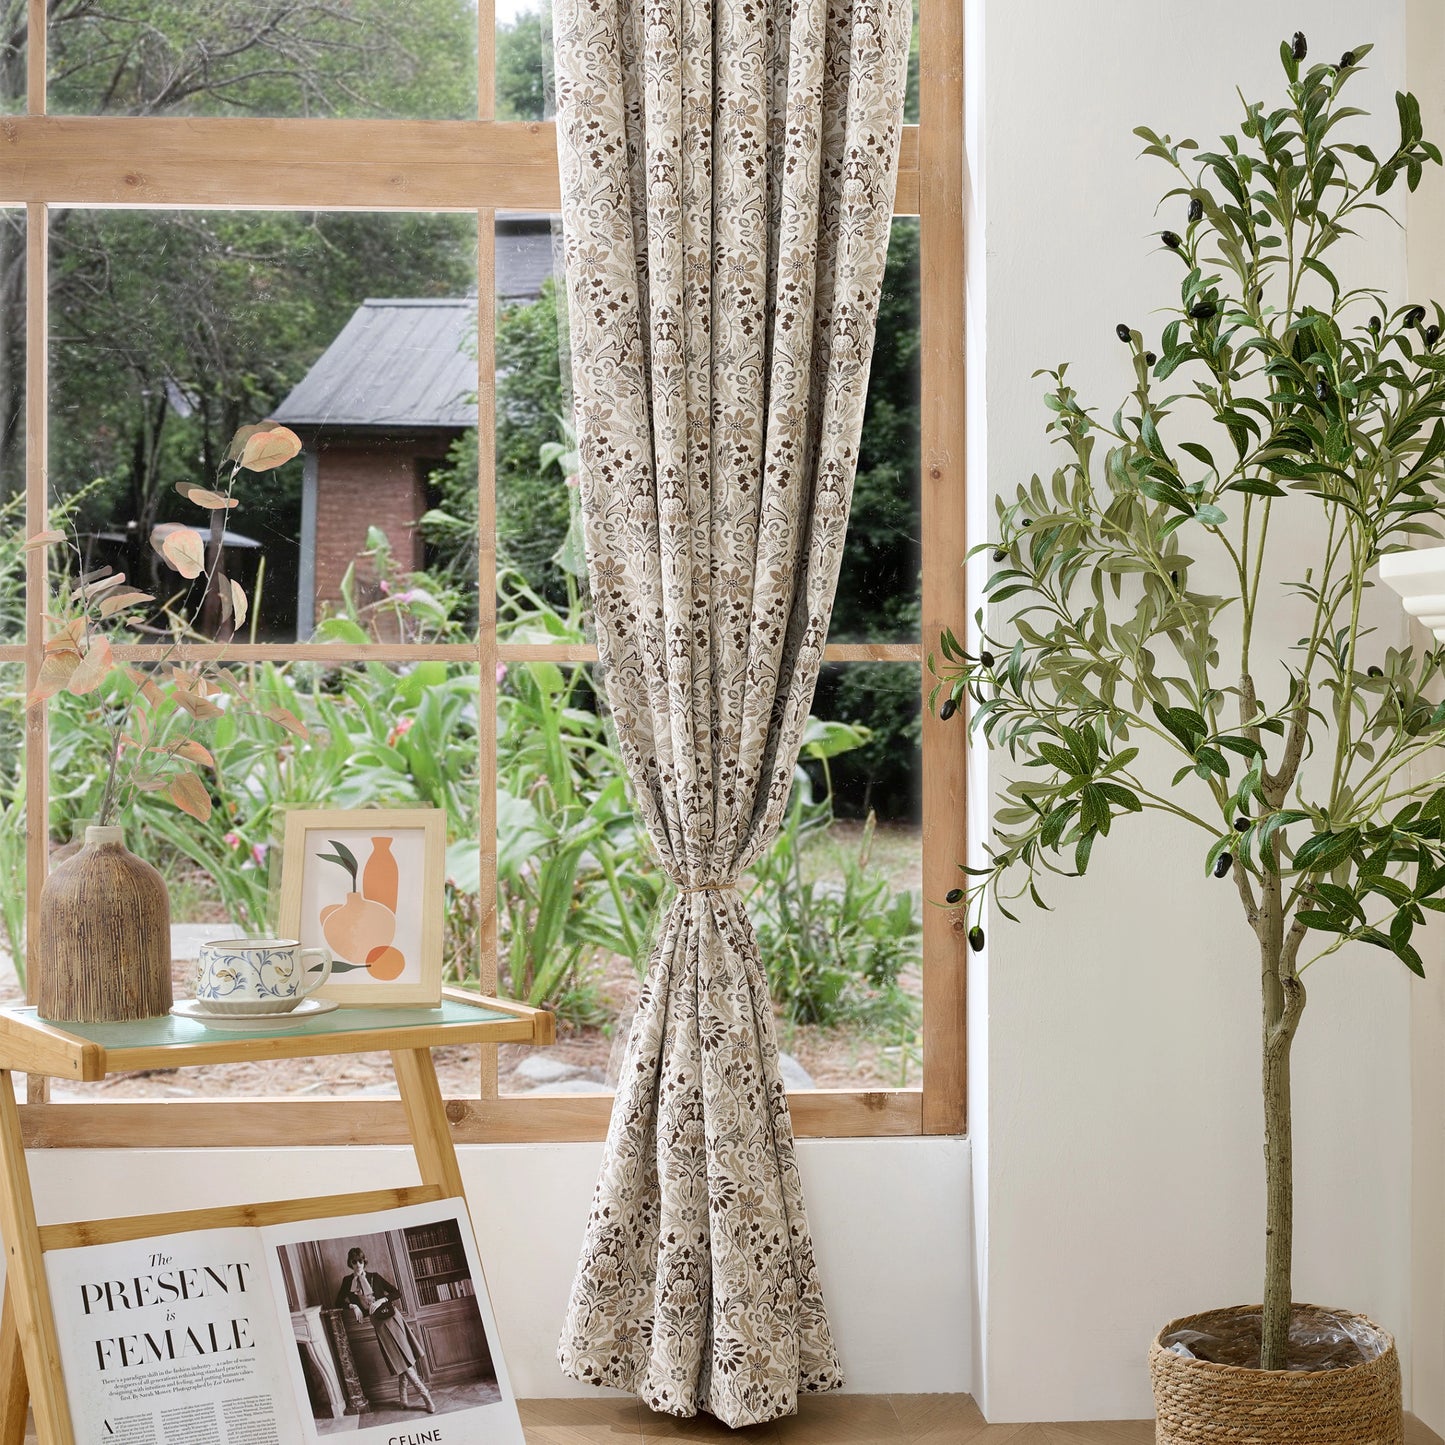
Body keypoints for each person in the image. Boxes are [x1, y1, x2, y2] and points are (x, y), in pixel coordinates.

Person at [336, 1246, 435, 1414]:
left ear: (364, 1261)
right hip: (379, 1324)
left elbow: (396, 1293)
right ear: (350, 1264)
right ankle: (405, 1398)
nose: (358, 1264)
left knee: (404, 1361)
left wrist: (381, 1300)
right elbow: (338, 1302)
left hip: (393, 1318)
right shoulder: (348, 1282)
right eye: (354, 1262)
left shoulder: (374, 1277)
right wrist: (354, 1306)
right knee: (401, 1360)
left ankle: (425, 1397)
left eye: (360, 1261)